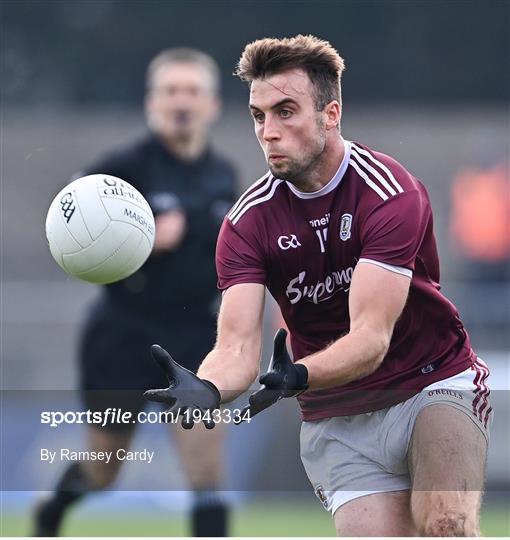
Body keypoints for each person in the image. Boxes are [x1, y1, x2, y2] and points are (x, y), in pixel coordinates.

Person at [144, 35, 492, 537]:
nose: (269, 131)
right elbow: (237, 345)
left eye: (286, 112)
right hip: (338, 415)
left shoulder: (389, 193)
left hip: (431, 382)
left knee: (445, 526)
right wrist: (210, 386)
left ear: (331, 113)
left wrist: (298, 374)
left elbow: (371, 339)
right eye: (259, 116)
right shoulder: (246, 223)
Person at [34, 48, 238, 537]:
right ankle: (51, 515)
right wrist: (140, 236)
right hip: (124, 333)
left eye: (192, 91)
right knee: (103, 471)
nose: (181, 101)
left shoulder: (224, 175)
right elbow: (71, 216)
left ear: (212, 104)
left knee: (206, 473)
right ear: (153, 102)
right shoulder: (122, 167)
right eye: (171, 91)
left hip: (193, 335)